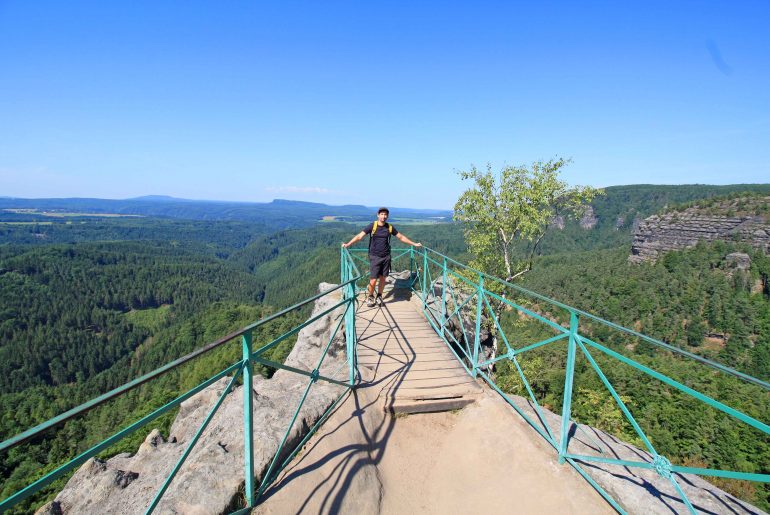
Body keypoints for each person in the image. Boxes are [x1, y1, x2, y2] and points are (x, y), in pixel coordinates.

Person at [342, 207, 422, 307]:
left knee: (383, 278)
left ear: (387, 216)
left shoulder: (389, 227)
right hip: (374, 256)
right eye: (382, 214)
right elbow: (359, 236)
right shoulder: (372, 226)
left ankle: (379, 296)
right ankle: (370, 296)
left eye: (385, 215)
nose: (384, 216)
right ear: (378, 215)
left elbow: (401, 237)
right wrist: (348, 244)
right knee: (373, 279)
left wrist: (413, 244)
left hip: (386, 256)